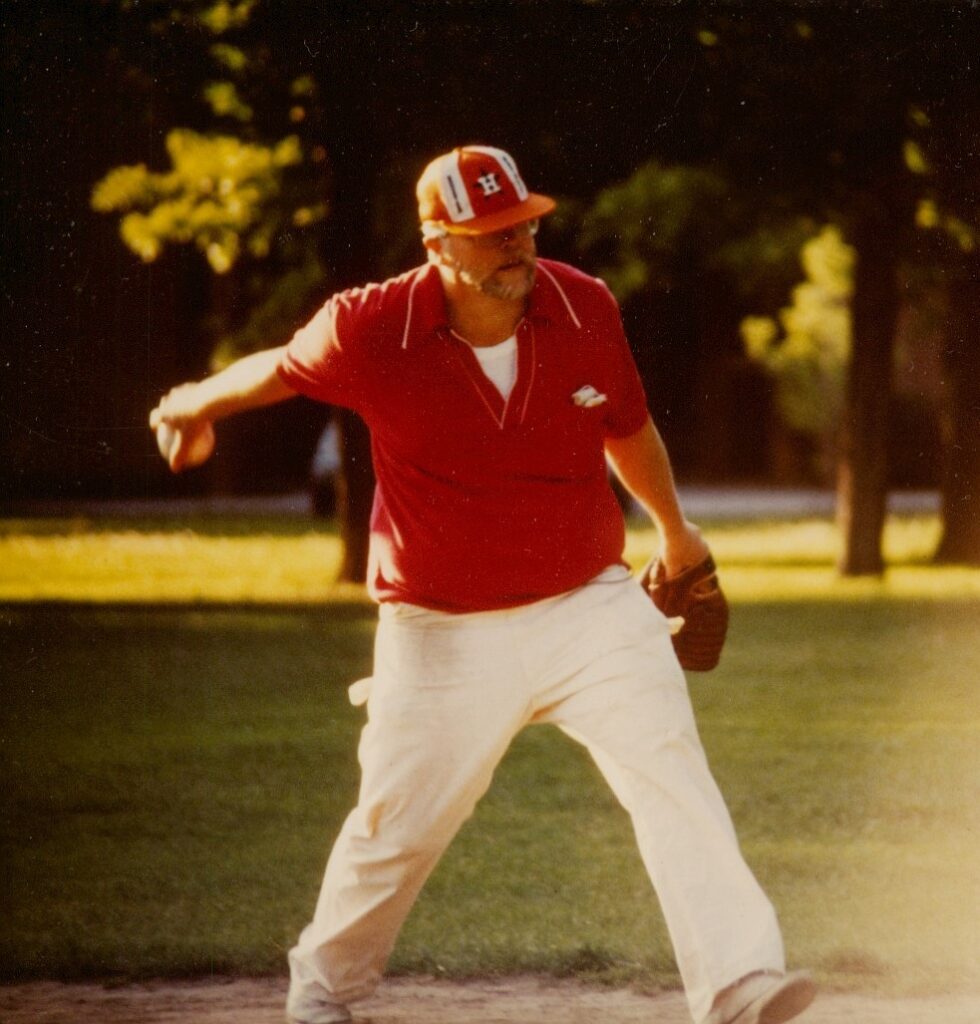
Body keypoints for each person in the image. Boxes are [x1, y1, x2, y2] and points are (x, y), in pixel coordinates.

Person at [150, 145, 815, 1024]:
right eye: (492, 232)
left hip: (589, 607)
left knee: (670, 770)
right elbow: (279, 367)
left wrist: (677, 533)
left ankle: (738, 984)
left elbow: (629, 426)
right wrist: (191, 403)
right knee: (400, 827)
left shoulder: (583, 305)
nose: (517, 245)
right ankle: (323, 993)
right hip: (440, 628)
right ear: (438, 244)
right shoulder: (370, 327)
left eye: (525, 223)